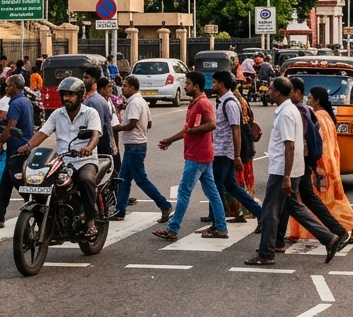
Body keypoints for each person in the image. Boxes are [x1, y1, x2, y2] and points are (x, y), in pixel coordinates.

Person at [245, 77, 342, 266]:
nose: (268, 92)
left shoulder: (286, 113)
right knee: (293, 207)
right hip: (291, 169)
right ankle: (329, 238)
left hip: (283, 170)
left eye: (271, 89)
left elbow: (289, 146)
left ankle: (266, 254)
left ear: (278, 92)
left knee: (269, 211)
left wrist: (286, 176)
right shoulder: (290, 110)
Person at [17, 76, 103, 240]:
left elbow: (95, 135)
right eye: (64, 94)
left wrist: (88, 148)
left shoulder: (90, 113)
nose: (66, 98)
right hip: (63, 161)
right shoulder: (57, 114)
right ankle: (52, 220)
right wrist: (27, 146)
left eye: (71, 95)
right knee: (44, 183)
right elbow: (43, 132)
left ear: (80, 96)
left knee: (85, 180)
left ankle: (90, 223)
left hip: (85, 161)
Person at [151, 72, 228, 240]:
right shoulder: (194, 104)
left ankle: (173, 229)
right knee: (212, 193)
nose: (185, 86)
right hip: (202, 155)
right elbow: (187, 129)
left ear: (196, 86)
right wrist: (170, 140)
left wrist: (194, 131)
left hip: (197, 156)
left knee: (184, 192)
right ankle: (221, 227)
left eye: (187, 84)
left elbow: (211, 124)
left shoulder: (203, 104)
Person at [277, 78, 348, 250]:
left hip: (297, 161)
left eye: (291, 91)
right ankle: (339, 231)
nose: (288, 95)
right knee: (306, 198)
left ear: (297, 93)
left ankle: (328, 237)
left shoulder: (297, 111)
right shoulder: (307, 110)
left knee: (288, 200)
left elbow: (295, 141)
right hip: (304, 161)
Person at [290, 85, 353, 242]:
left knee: (322, 201)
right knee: (333, 199)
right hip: (330, 163)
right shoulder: (328, 117)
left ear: (317, 101)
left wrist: (314, 165)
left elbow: (315, 143)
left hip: (321, 165)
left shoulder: (318, 117)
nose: (308, 100)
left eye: (310, 98)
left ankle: (345, 226)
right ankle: (351, 224)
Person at [111, 75, 173, 222]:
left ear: (133, 88)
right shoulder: (142, 101)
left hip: (135, 146)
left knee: (141, 180)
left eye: (125, 86)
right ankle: (120, 211)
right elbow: (149, 123)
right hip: (134, 146)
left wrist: (117, 128)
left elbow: (132, 124)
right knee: (123, 180)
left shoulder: (134, 103)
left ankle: (164, 205)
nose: (122, 89)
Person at [207, 71, 262, 226]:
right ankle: (261, 214)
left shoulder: (230, 103)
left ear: (222, 85)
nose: (212, 85)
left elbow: (236, 130)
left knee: (215, 187)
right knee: (231, 186)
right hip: (222, 150)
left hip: (223, 152)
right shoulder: (223, 101)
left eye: (214, 82)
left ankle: (217, 224)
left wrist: (237, 156)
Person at [0, 75, 36, 228]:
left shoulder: (15, 103)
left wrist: (1, 142)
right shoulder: (25, 100)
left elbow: (11, 127)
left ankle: (38, 210)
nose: (6, 88)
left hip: (17, 149)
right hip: (20, 147)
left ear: (14, 86)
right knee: (5, 186)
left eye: (8, 85)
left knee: (21, 185)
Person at [82, 67, 116, 160]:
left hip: (99, 147)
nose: (83, 80)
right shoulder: (90, 99)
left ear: (93, 80)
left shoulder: (94, 101)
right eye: (83, 77)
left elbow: (97, 129)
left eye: (86, 78)